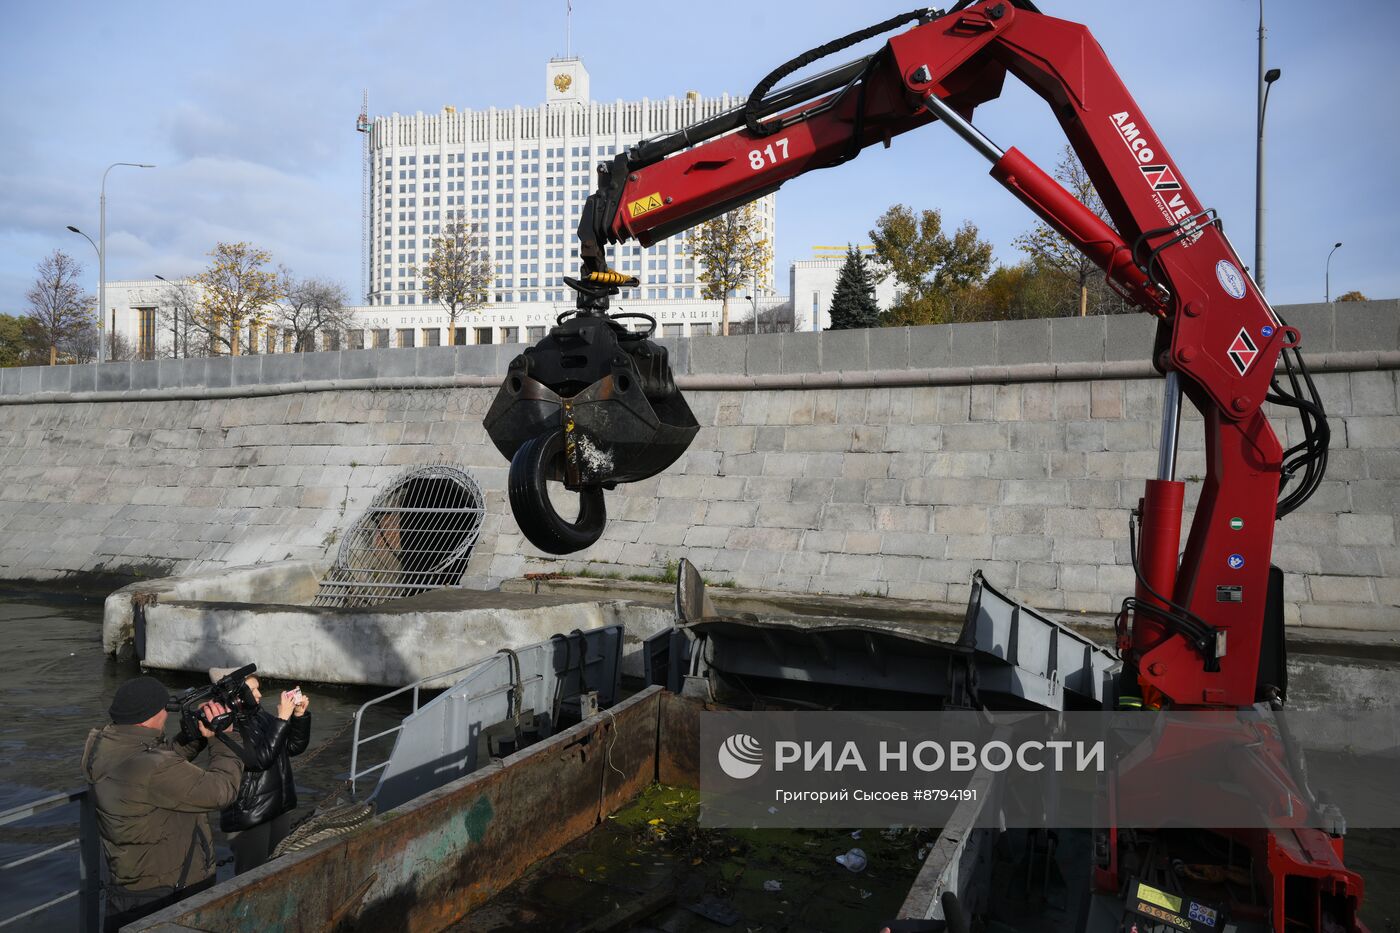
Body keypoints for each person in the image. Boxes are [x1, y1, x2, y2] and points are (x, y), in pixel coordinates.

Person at [82, 675, 244, 932]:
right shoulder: (153, 769)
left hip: (130, 889)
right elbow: (222, 791)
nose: (166, 715)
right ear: (151, 716)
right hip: (167, 894)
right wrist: (222, 737)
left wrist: (196, 735)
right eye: (164, 710)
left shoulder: (110, 748)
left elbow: (159, 759)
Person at [208, 667, 312, 874]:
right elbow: (259, 760)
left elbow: (291, 747)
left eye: (258, 689)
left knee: (279, 867)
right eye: (253, 690)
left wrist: (299, 717)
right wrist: (282, 719)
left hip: (277, 806)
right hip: (251, 813)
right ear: (236, 694)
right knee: (251, 875)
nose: (259, 694)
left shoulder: (259, 714)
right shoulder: (227, 724)